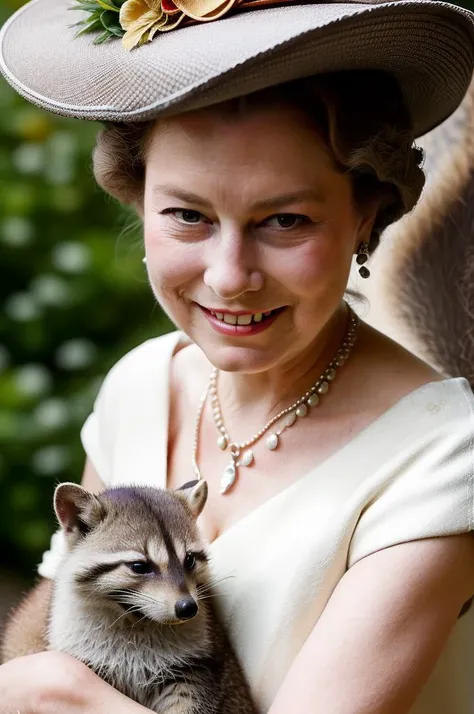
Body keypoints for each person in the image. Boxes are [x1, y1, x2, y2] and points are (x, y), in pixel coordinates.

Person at [1, 1, 474, 712]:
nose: (228, 275)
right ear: (138, 203)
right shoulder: (141, 384)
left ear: (365, 215)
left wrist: (59, 690)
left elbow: (47, 680)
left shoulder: (445, 459)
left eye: (284, 220)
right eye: (188, 215)